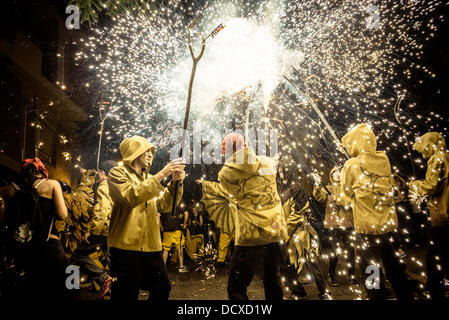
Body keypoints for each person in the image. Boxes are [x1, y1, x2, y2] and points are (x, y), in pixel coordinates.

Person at [197, 133, 288, 300]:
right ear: (246, 144)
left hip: (250, 234)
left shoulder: (225, 174)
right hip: (275, 230)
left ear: (227, 151)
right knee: (272, 280)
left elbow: (229, 195)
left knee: (236, 287)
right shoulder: (268, 162)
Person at [107, 135, 185, 301]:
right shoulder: (117, 173)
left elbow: (164, 205)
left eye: (151, 151)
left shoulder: (150, 180)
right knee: (126, 294)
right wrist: (162, 174)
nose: (150, 154)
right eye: (145, 151)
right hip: (125, 246)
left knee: (162, 288)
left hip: (151, 246)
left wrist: (174, 184)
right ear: (134, 153)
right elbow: (130, 196)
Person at [340, 123, 413, 300]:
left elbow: (345, 194)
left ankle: (377, 297)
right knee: (393, 265)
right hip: (388, 226)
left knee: (372, 268)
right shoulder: (383, 160)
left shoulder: (351, 165)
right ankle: (405, 295)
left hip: (367, 229)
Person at [0, 158, 74, 299]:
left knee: (35, 289)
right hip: (49, 244)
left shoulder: (13, 189)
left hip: (25, 248)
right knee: (71, 282)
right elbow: (62, 215)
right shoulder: (52, 184)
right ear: (39, 170)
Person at [409, 132, 449, 300]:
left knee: (435, 257)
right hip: (442, 214)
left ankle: (435, 291)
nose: (421, 153)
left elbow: (432, 186)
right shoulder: (444, 156)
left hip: (443, 215)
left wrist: (415, 185)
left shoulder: (438, 158)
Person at [313, 168, 356, 286]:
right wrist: (316, 187)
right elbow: (319, 197)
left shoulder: (348, 188)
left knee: (350, 251)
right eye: (334, 173)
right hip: (333, 225)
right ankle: (332, 275)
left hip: (348, 223)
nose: (337, 174)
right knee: (334, 252)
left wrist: (339, 200)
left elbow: (351, 201)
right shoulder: (328, 188)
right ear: (331, 175)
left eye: (339, 172)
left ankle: (351, 275)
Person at [161, 208, 189, 273]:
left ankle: (163, 269)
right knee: (180, 247)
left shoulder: (164, 203)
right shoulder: (177, 201)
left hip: (166, 230)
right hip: (177, 229)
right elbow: (186, 213)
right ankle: (181, 267)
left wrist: (161, 226)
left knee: (166, 249)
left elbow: (158, 215)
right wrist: (184, 224)